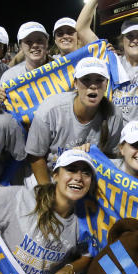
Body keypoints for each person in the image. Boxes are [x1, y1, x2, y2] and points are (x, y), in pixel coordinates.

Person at [25, 57, 122, 185]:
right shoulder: (51, 109)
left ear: (106, 84)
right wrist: (46, 190)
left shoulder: (114, 114)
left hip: (88, 177)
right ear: (75, 83)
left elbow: (111, 157)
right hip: (51, 174)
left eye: (99, 80)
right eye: (86, 80)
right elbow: (35, 155)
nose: (93, 86)